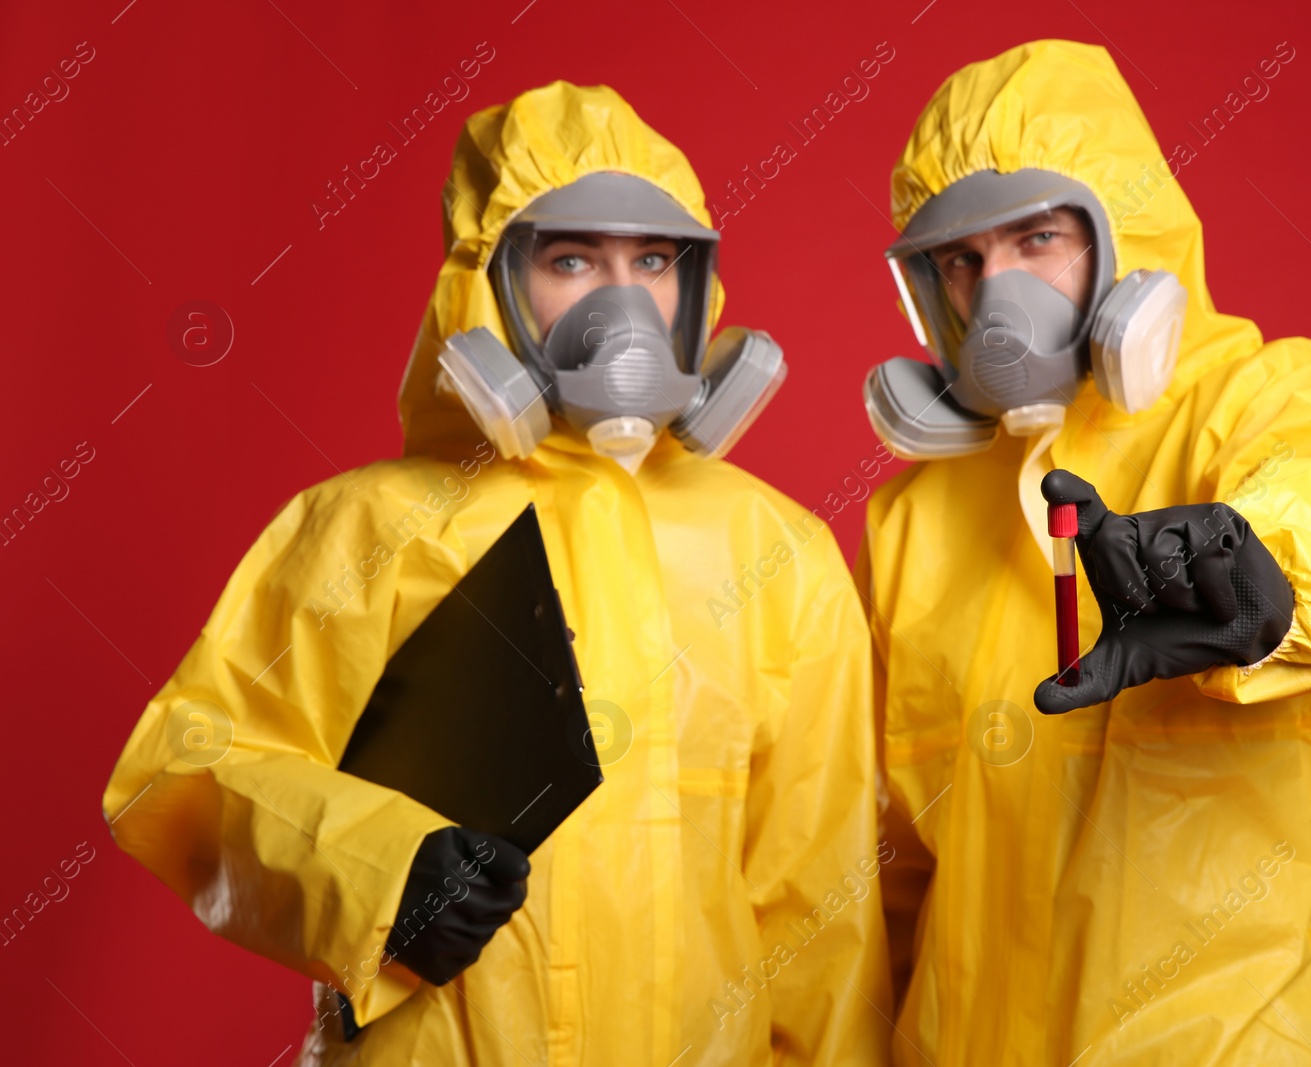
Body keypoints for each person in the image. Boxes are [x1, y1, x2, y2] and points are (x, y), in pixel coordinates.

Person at [102, 81, 891, 1065]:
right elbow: (188, 766)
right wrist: (381, 873)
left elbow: (820, 914)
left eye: (652, 260)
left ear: (697, 288)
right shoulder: (368, 528)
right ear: (491, 283)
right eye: (571, 259)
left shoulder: (775, 555)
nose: (622, 301)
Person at [856, 40, 1311, 1064]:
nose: (997, 292)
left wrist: (1261, 573)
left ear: (1123, 234)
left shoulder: (1270, 405)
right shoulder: (913, 519)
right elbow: (886, 874)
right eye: (962, 262)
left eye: (1037, 239)